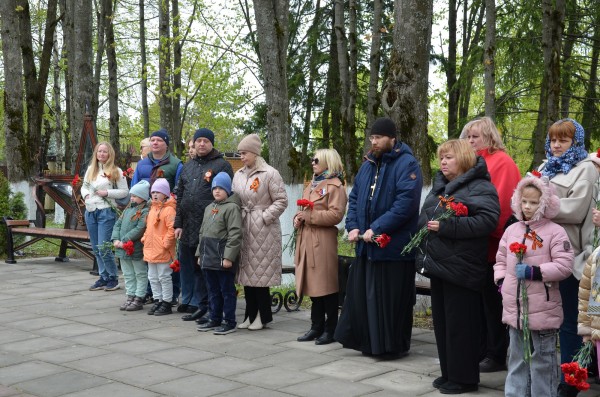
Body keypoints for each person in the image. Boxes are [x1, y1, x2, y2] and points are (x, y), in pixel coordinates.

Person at [334, 117, 423, 357]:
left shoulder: (407, 164)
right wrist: (352, 226)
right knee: (365, 300)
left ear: (392, 138)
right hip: (366, 247)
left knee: (389, 302)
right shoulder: (367, 165)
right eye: (372, 138)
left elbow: (405, 204)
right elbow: (354, 199)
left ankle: (390, 347)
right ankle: (369, 344)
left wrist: (378, 227)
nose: (374, 142)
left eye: (378, 137)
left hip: (393, 249)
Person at [416, 139, 499, 394]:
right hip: (440, 264)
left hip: (462, 267)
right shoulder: (441, 185)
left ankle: (464, 378)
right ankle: (449, 373)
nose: (442, 162)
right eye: (441, 157)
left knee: (461, 326)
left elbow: (487, 220)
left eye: (448, 157)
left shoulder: (480, 186)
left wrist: (448, 227)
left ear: (463, 158)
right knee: (443, 324)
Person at [495, 175, 573, 397]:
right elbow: (501, 259)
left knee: (543, 361)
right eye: (524, 201)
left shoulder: (555, 232)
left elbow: (565, 265)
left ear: (545, 203)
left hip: (543, 310)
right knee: (517, 358)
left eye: (534, 202)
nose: (527, 207)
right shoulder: (512, 230)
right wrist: (501, 281)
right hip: (515, 311)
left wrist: (535, 272)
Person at [536, 119, 598, 397]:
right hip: (542, 253)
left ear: (576, 143)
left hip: (572, 256)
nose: (557, 145)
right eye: (553, 140)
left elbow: (574, 210)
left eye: (564, 140)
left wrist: (538, 204)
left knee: (572, 322)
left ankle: (570, 382)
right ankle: (547, 374)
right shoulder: (544, 167)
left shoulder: (585, 169)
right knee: (547, 317)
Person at [460, 116, 522, 372]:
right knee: (478, 303)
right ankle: (482, 349)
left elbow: (502, 208)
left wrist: (483, 230)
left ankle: (496, 354)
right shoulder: (471, 162)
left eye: (476, 136)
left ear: (489, 136)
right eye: (468, 136)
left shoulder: (503, 162)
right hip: (470, 244)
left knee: (493, 303)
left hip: (492, 246)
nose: (471, 140)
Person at [174, 128, 234, 322]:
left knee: (209, 269)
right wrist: (178, 223)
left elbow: (226, 195)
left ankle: (214, 309)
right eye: (198, 141)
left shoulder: (221, 165)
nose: (201, 144)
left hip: (211, 227)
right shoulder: (188, 166)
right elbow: (180, 195)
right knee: (193, 266)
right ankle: (200, 305)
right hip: (188, 226)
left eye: (205, 141)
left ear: (211, 143)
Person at [233, 133, 288, 331]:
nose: (241, 157)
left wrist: (265, 216)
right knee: (247, 275)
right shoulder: (238, 174)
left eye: (244, 153)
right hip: (244, 227)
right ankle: (249, 314)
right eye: (240, 153)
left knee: (260, 276)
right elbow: (234, 199)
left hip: (264, 230)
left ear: (255, 153)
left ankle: (262, 316)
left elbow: (281, 200)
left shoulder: (270, 173)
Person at [294, 149, 347, 345]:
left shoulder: (335, 186)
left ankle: (330, 329)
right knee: (313, 286)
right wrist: (297, 218)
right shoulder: (312, 184)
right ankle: (316, 327)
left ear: (327, 162)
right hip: (306, 238)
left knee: (327, 287)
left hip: (322, 241)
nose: (313, 163)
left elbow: (336, 215)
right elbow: (303, 210)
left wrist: (308, 217)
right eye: (312, 159)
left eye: (316, 160)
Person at [132, 129, 182, 306]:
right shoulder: (143, 164)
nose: (155, 143)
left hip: (166, 211)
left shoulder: (175, 164)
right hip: (147, 212)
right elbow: (135, 185)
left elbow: (178, 188)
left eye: (159, 140)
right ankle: (152, 294)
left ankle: (171, 296)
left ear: (166, 143)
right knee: (150, 257)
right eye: (152, 140)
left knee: (166, 263)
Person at [196, 172, 242, 335]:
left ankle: (229, 321)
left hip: (223, 258)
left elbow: (235, 234)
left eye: (221, 188)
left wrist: (229, 257)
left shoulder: (232, 208)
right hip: (208, 256)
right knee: (212, 290)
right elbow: (202, 232)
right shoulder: (209, 208)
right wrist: (200, 254)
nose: (217, 191)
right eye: (214, 187)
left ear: (228, 190)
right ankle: (214, 318)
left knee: (226, 291)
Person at [82, 141, 129, 291]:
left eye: (105, 152)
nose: (101, 154)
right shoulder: (91, 169)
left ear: (110, 154)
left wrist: (107, 193)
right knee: (96, 247)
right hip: (91, 210)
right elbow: (84, 186)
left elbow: (124, 192)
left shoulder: (116, 171)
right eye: (99, 151)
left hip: (106, 211)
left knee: (104, 247)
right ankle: (103, 277)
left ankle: (113, 278)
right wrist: (87, 196)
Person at [111, 180, 151, 311]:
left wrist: (125, 239)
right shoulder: (128, 209)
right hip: (122, 247)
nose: (132, 198)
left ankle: (139, 297)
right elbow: (118, 224)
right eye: (131, 195)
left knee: (139, 273)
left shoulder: (145, 211)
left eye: (135, 196)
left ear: (143, 197)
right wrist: (116, 238)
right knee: (127, 273)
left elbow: (140, 228)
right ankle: (130, 295)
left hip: (135, 248)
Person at [142, 178, 177, 316]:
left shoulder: (169, 210)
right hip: (150, 249)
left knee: (164, 276)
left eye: (159, 192)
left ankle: (167, 302)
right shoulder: (152, 210)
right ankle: (158, 300)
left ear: (166, 194)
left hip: (162, 249)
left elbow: (171, 229)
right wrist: (144, 238)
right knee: (152, 277)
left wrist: (166, 243)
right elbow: (148, 228)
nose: (155, 194)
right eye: (153, 192)